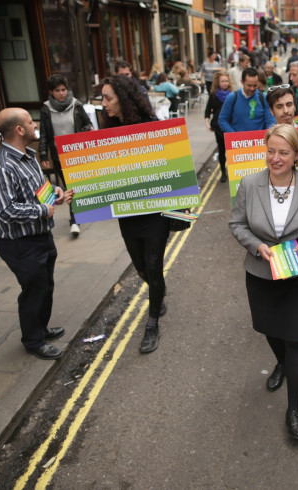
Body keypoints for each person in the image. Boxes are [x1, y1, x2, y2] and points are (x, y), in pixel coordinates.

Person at [228, 124, 298, 440]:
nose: (275, 158)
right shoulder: (249, 184)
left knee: (296, 338)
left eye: (283, 152)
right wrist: (255, 246)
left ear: (297, 155)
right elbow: (237, 224)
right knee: (270, 329)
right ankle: (282, 364)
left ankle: (293, 411)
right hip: (261, 272)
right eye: (271, 151)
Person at [0, 108, 74, 360]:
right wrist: (43, 209)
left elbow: (38, 189)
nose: (35, 125)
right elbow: (5, 210)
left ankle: (41, 329)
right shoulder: (0, 168)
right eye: (30, 122)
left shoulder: (28, 155)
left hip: (40, 235)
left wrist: (54, 193)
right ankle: (33, 341)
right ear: (19, 130)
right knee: (33, 291)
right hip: (19, 243)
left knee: (45, 287)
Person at [100, 75, 168, 354]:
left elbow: (172, 168)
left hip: (154, 213)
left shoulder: (152, 127)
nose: (103, 104)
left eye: (108, 98)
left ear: (124, 99)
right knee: (141, 267)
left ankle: (152, 323)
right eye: (102, 98)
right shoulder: (109, 130)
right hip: (128, 214)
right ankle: (158, 292)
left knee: (153, 266)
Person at [38, 74, 93, 237]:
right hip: (58, 155)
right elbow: (43, 134)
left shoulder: (76, 105)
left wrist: (83, 132)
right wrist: (43, 154)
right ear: (51, 92)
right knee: (70, 186)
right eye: (57, 90)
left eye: (64, 89)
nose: (61, 93)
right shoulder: (46, 108)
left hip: (76, 153)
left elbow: (87, 124)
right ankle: (76, 217)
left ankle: (74, 221)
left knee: (72, 187)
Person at [218, 67, 276, 133]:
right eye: (249, 85)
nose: (252, 88)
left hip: (259, 142)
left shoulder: (264, 98)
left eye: (255, 85)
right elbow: (222, 120)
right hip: (237, 141)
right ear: (242, 82)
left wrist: (267, 133)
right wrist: (233, 135)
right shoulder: (232, 98)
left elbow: (271, 121)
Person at [204, 70, 233, 182]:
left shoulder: (232, 94)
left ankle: (233, 171)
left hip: (230, 126)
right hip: (217, 126)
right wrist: (207, 123)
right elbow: (207, 111)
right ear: (218, 82)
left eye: (226, 81)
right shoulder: (214, 95)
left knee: (231, 151)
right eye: (222, 81)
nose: (225, 83)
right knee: (221, 150)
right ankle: (223, 172)